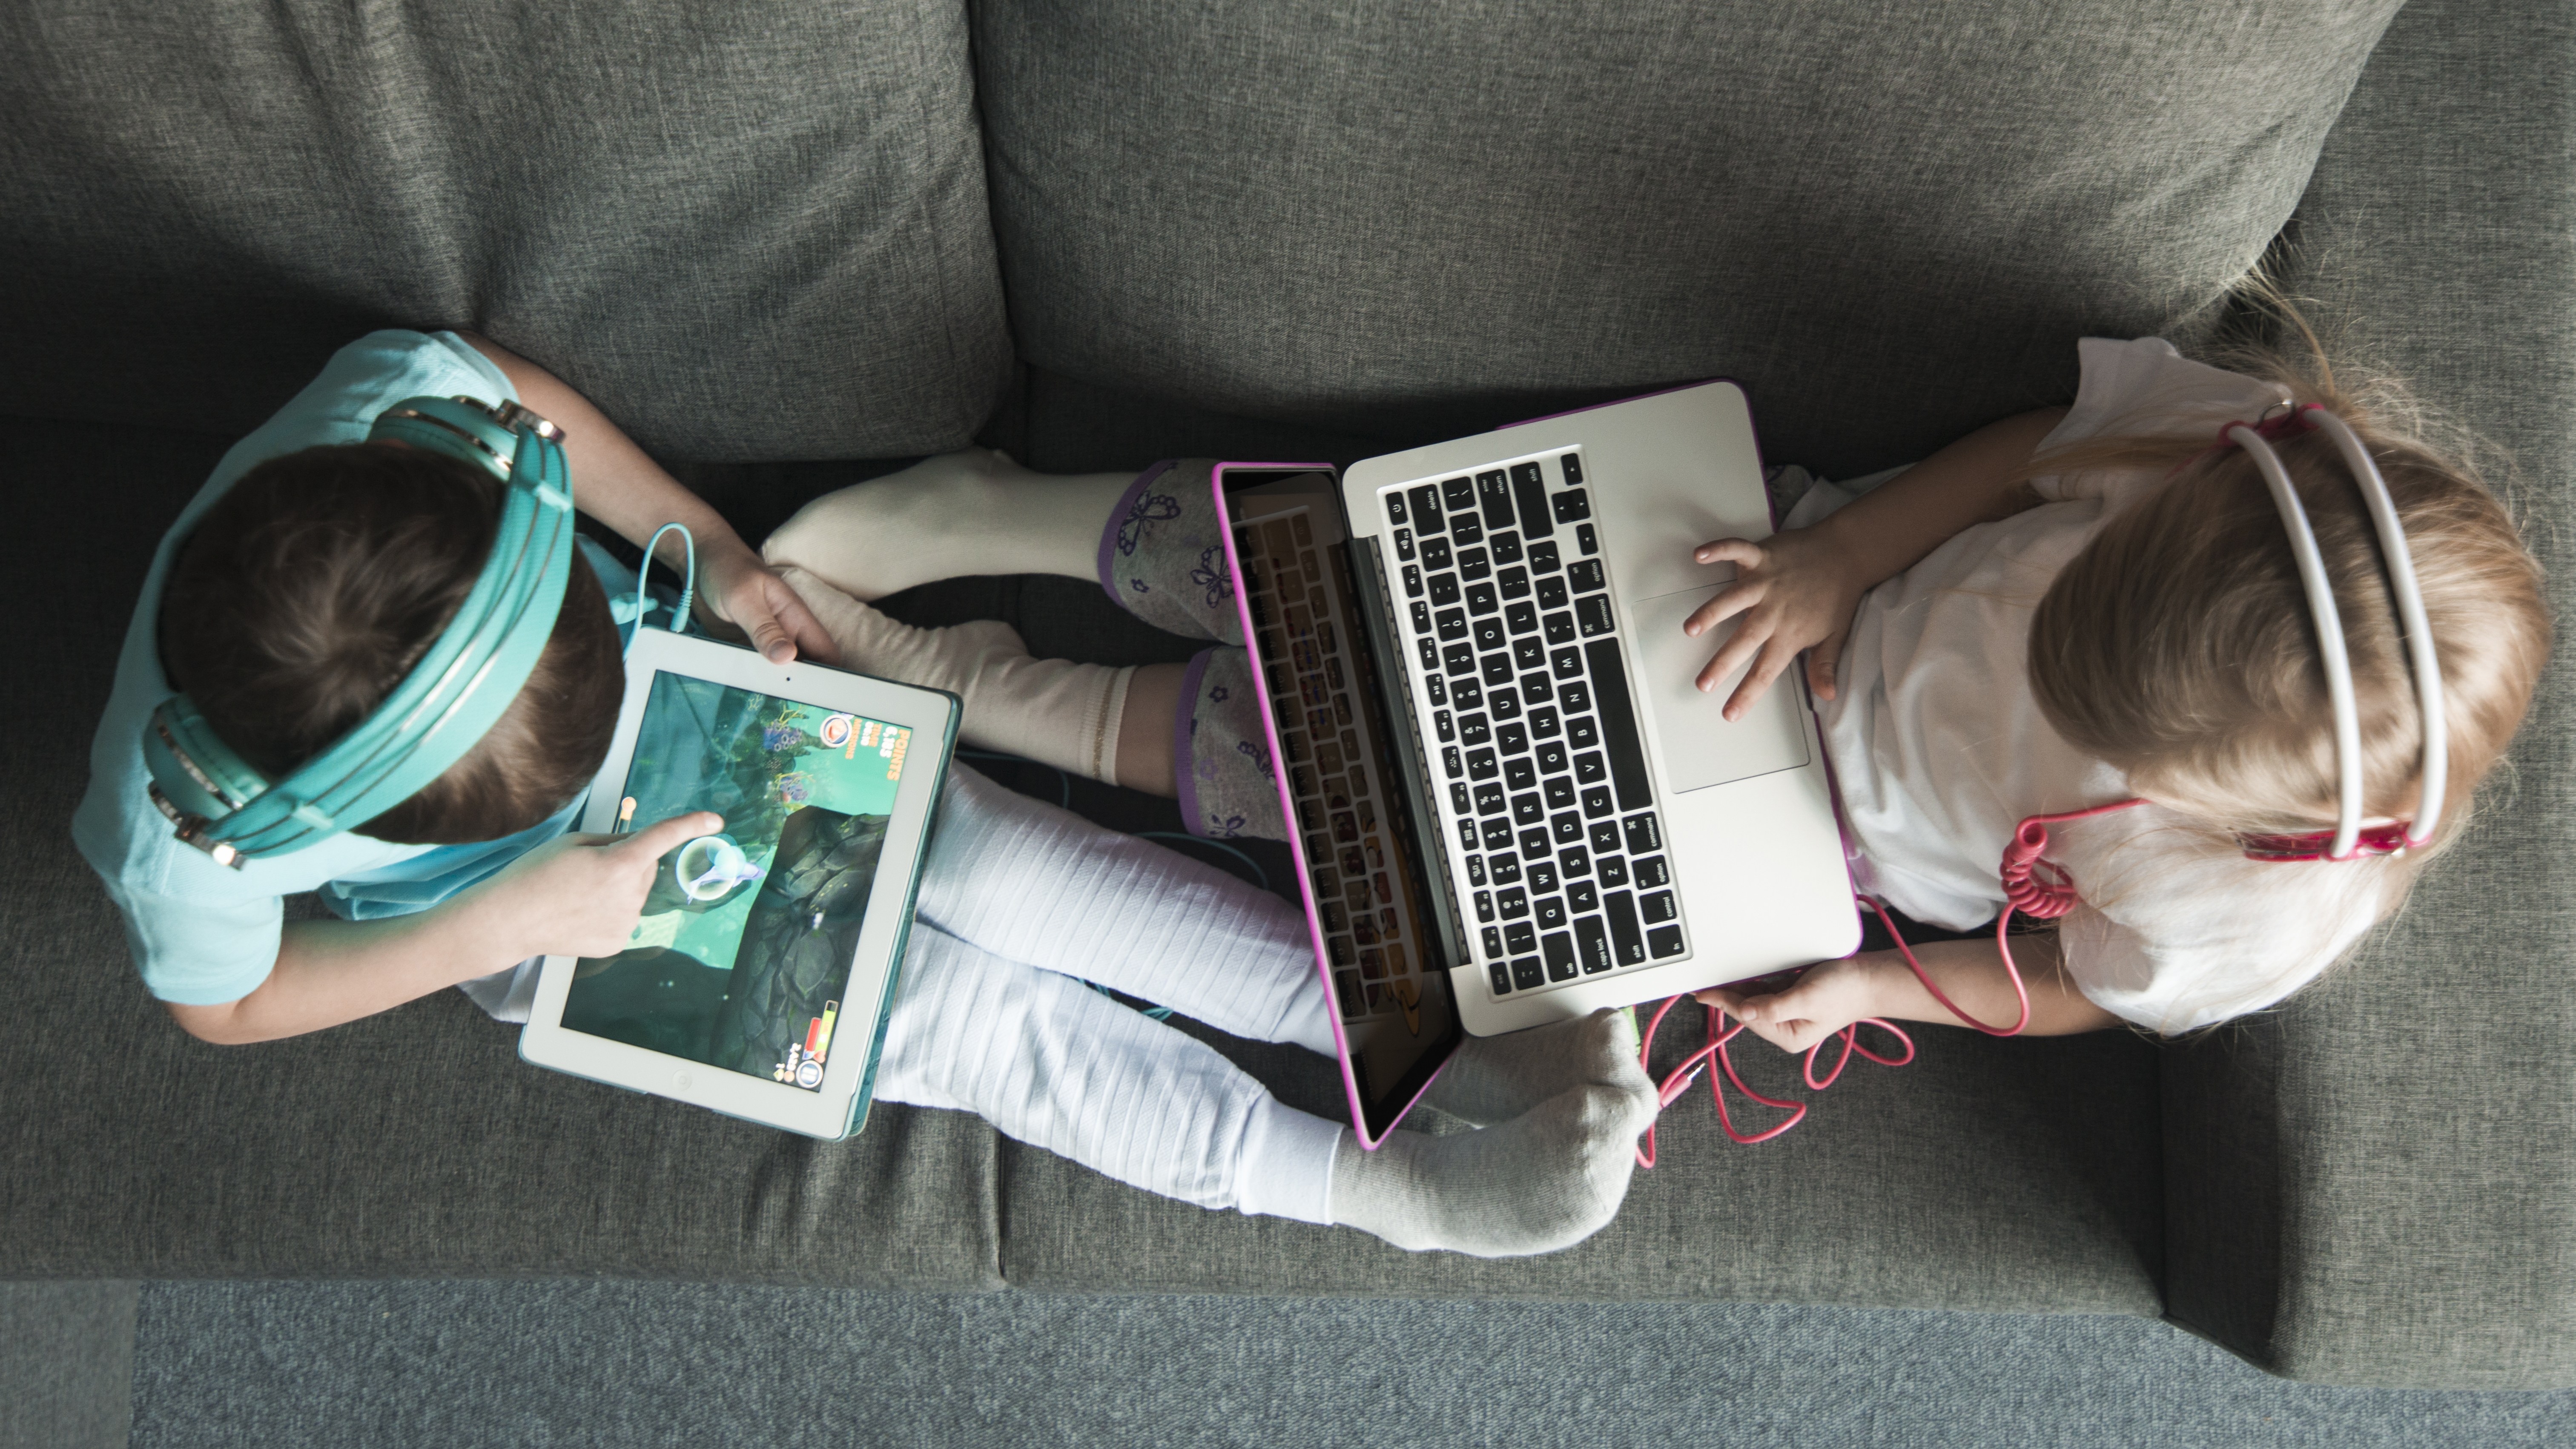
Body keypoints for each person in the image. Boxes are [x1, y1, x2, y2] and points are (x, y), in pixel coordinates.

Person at [75, 329, 1656, 1260]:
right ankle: (1385, 1194)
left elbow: (494, 376)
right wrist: (511, 906)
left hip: (708, 705)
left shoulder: (396, 414)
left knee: (1010, 863)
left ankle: (1434, 1028)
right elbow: (232, 1005)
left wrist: (725, 559)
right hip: (547, 926)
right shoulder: (181, 834)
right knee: (969, 1030)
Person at [760, 279, 2549, 1047]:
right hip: (1773, 581)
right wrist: (1848, 552)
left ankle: (989, 685)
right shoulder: (2230, 442)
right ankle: (1010, 507)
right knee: (1355, 554)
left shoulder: (2258, 920)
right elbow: (2032, 447)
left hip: (1801, 844)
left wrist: (1871, 992)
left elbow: (2081, 981)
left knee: (1314, 783)